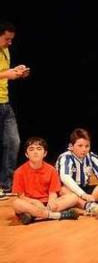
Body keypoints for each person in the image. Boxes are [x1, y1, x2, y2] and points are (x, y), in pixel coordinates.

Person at [11, 137, 79, 225]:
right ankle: (57, 215)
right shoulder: (19, 172)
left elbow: (53, 192)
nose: (35, 152)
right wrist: (35, 202)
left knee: (73, 197)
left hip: (47, 204)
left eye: (39, 149)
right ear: (26, 154)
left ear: (45, 153)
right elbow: (21, 196)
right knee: (16, 203)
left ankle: (33, 215)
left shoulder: (51, 170)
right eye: (31, 149)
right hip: (30, 203)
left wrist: (52, 201)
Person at [55, 128, 98, 218]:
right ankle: (90, 206)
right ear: (71, 146)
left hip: (85, 188)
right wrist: (83, 194)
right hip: (69, 190)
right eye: (80, 146)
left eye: (87, 146)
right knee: (64, 190)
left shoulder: (91, 156)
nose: (84, 149)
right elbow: (65, 177)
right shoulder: (66, 157)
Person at [0, 21, 27, 197]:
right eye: (7, 39)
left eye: (11, 40)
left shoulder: (6, 50)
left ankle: (6, 184)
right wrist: (6, 74)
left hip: (5, 103)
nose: (10, 43)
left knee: (13, 141)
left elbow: (3, 72)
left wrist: (15, 71)